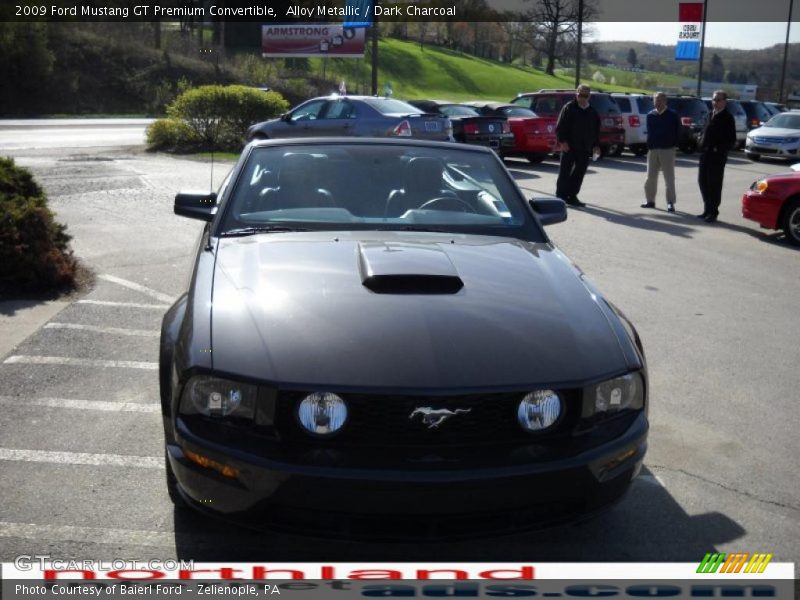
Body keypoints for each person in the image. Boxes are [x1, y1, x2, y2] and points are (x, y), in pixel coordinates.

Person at [555, 84, 600, 207]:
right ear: (576, 94)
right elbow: (560, 127)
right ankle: (560, 197)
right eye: (580, 95)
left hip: (585, 148)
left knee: (579, 173)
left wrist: (596, 145)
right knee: (564, 172)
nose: (582, 98)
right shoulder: (569, 108)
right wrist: (562, 141)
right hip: (569, 146)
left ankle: (572, 196)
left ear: (589, 96)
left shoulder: (592, 112)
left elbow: (596, 130)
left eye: (585, 95)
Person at [697, 90, 737, 223]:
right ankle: (707, 209)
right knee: (702, 182)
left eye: (718, 100)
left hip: (717, 157)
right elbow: (704, 131)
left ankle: (713, 212)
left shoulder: (727, 118)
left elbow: (731, 140)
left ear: (725, 101)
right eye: (714, 99)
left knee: (714, 184)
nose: (715, 102)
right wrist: (700, 139)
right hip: (705, 154)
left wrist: (717, 149)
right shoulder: (709, 114)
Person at [641, 92, 680, 212]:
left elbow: (678, 132)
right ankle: (650, 201)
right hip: (653, 150)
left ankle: (670, 202)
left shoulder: (672, 115)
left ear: (665, 101)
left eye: (660, 100)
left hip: (667, 150)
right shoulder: (650, 115)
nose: (657, 102)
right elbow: (650, 132)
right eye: (655, 100)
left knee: (669, 178)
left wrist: (673, 144)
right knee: (650, 177)